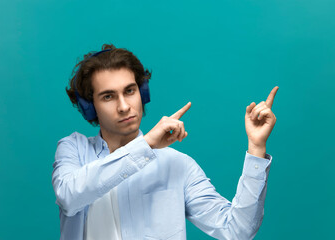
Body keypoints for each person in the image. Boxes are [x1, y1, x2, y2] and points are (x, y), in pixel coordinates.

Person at [52, 43, 279, 240]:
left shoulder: (178, 165)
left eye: (130, 91)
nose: (123, 106)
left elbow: (237, 231)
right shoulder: (74, 149)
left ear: (143, 93)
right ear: (90, 107)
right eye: (108, 96)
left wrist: (256, 148)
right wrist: (146, 145)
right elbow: (69, 197)